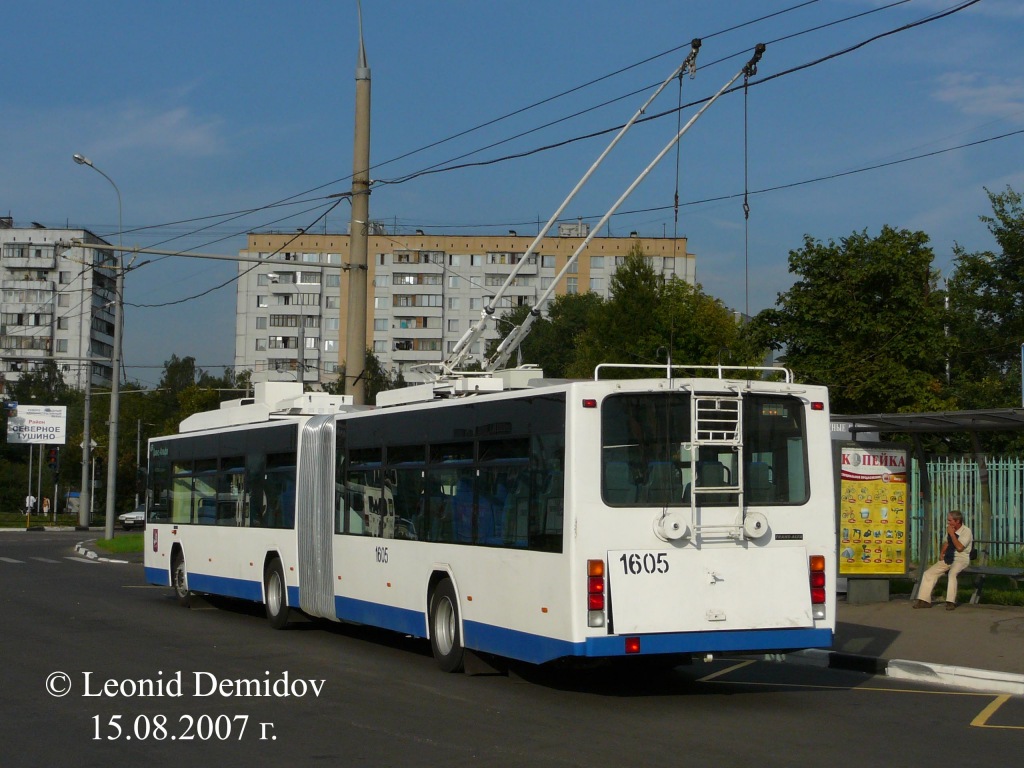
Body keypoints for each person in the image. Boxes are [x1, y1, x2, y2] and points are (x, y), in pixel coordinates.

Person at [913, 509, 973, 611]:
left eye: (950, 520)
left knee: (952, 574)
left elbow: (960, 548)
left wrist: (952, 534)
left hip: (961, 558)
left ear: (957, 521)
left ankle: (950, 602)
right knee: (928, 573)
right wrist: (942, 553)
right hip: (948, 557)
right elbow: (946, 543)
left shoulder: (966, 531)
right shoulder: (950, 529)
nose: (948, 522)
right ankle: (924, 600)